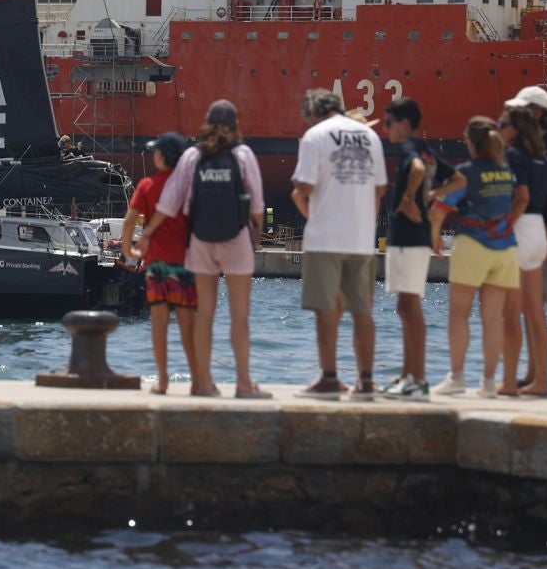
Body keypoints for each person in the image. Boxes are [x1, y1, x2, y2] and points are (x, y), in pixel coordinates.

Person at [155, 99, 269, 399]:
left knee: (204, 315)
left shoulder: (192, 155)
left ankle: (203, 383)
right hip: (236, 239)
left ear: (206, 122)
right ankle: (244, 385)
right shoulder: (243, 154)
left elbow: (169, 204)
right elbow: (257, 207)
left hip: (201, 240)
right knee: (239, 316)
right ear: (235, 124)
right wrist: (253, 230)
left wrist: (149, 234)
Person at [291, 89, 384, 399]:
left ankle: (330, 377)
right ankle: (367, 380)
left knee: (326, 309)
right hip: (361, 239)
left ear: (313, 112)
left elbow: (305, 185)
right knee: (362, 311)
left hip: (325, 237)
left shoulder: (314, 136)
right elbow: (379, 189)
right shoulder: (369, 137)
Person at [428, 117, 525, 397]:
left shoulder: (465, 173)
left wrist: (435, 236)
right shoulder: (507, 172)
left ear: (470, 142)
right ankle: (489, 383)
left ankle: (457, 378)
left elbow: (438, 211)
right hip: (506, 248)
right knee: (493, 319)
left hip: (473, 245)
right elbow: (519, 200)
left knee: (459, 314)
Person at [125, 131, 197, 394]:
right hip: (184, 266)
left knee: (159, 325)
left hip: (156, 266)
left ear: (162, 156)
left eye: (155, 151)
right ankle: (197, 381)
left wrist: (128, 249)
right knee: (188, 325)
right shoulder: (187, 187)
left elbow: (130, 219)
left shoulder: (147, 185)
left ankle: (163, 381)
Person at [502, 102, 547, 397]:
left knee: (511, 312)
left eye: (503, 125)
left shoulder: (514, 155)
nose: (499, 130)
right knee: (535, 311)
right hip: (539, 231)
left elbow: (521, 197)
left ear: (515, 129)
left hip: (518, 229)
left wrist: (501, 227)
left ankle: (509, 381)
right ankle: (541, 381)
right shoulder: (542, 159)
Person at [380, 98, 439, 399]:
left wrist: (407, 200)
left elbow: (415, 170)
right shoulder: (428, 152)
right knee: (406, 307)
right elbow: (456, 179)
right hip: (416, 236)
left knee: (409, 307)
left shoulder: (409, 151)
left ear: (404, 123)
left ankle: (417, 379)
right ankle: (409, 377)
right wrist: (428, 203)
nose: (385, 128)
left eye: (388, 122)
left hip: (408, 237)